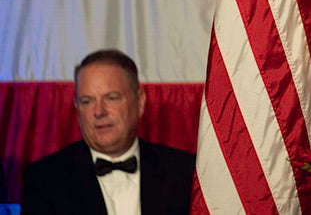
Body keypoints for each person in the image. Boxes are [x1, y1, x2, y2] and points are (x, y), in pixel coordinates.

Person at [21, 49, 195, 215]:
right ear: (77, 107)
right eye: (87, 101)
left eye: (111, 98)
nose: (99, 111)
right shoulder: (44, 179)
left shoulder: (185, 172)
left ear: (140, 102)